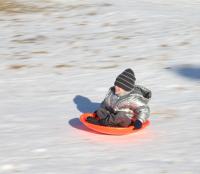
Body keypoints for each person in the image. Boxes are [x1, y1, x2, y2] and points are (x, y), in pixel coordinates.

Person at [86, 68, 152, 129]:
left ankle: (102, 123)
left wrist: (139, 120)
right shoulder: (112, 93)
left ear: (126, 88)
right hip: (113, 115)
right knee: (100, 110)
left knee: (121, 115)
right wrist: (99, 112)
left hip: (126, 120)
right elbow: (105, 103)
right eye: (116, 85)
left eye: (119, 87)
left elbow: (144, 109)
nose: (116, 87)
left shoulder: (133, 98)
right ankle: (104, 120)